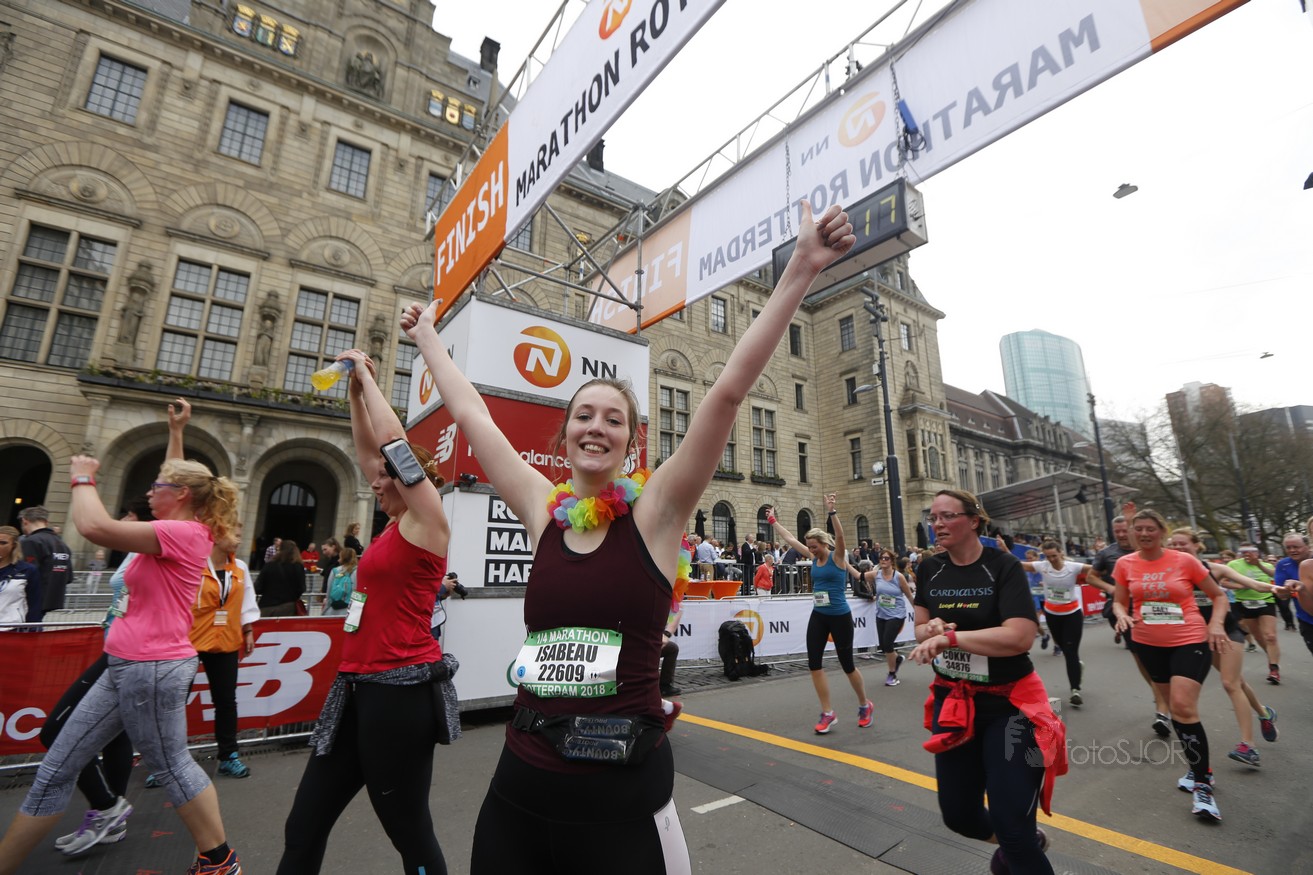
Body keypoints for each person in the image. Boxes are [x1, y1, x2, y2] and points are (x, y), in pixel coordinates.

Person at [404, 199, 854, 875]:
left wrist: (802, 268)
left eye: (613, 419)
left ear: (631, 442)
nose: (595, 427)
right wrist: (427, 338)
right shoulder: (543, 510)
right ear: (564, 434)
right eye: (583, 415)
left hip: (619, 794)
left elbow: (726, 394)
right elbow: (471, 412)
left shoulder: (657, 515)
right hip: (520, 785)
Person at [0, 455, 244, 875]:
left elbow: (93, 527)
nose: (149, 492)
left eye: (157, 486)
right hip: (127, 663)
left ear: (181, 494)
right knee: (57, 769)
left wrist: (82, 476)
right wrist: (176, 431)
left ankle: (219, 861)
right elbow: (175, 471)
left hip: (152, 667)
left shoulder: (182, 532)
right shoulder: (173, 529)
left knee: (172, 766)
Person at [276, 348, 451, 875]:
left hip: (400, 692)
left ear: (409, 479)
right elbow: (372, 451)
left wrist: (369, 379)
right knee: (302, 827)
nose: (373, 483)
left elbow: (392, 445)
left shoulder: (427, 522)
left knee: (409, 832)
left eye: (384, 478)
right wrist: (355, 392)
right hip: (355, 688)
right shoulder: (393, 527)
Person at [908, 490, 1063, 874]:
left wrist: (951, 638)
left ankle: (1019, 845)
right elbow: (920, 628)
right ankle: (1021, 844)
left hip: (1011, 707)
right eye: (934, 517)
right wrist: (932, 629)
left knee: (1013, 829)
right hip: (954, 702)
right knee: (959, 816)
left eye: (947, 516)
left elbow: (1020, 637)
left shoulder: (1003, 566)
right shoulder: (929, 569)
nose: (938, 524)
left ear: (974, 520)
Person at [1112, 508, 1230, 823]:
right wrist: (1121, 614)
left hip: (1189, 639)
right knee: (1176, 711)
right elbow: (1119, 600)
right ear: (1132, 532)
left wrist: (1216, 624)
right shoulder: (1125, 564)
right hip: (1148, 643)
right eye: (1139, 529)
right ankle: (1199, 767)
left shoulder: (1184, 560)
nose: (1144, 534)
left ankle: (1202, 785)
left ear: (1162, 532)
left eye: (1150, 528)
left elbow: (1218, 596)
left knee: (1182, 706)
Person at [1167, 528, 1280, 773]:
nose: (1177, 548)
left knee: (1230, 683)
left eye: (1182, 543)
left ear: (1197, 545)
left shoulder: (1214, 569)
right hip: (1198, 635)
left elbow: (1251, 583)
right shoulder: (1169, 572)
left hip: (1226, 630)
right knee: (1238, 681)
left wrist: (1275, 588)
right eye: (1173, 544)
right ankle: (1264, 713)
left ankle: (1248, 747)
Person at [768, 495, 874, 734]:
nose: (811, 550)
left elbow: (841, 537)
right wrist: (773, 521)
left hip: (840, 616)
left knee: (847, 665)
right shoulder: (813, 557)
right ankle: (828, 712)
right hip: (819, 615)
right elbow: (790, 539)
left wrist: (832, 512)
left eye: (814, 546)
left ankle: (864, 704)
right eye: (810, 547)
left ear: (824, 544)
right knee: (814, 664)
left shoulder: (838, 558)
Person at [1087, 514, 1171, 736]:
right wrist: (1112, 589)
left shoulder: (1151, 548)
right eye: (1117, 532)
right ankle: (1162, 705)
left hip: (1157, 609)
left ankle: (1166, 698)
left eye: (1125, 530)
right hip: (1126, 612)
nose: (1122, 535)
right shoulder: (1107, 553)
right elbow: (1091, 577)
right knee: (1142, 658)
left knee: (1164, 657)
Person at [1019, 542, 1091, 707]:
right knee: (1063, 648)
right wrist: (1005, 550)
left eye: (1054, 556)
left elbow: (1095, 569)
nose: (1051, 559)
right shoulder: (1042, 566)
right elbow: (1020, 565)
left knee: (1071, 651)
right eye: (1048, 556)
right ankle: (1077, 666)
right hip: (1052, 614)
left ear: (1060, 553)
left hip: (1072, 614)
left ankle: (1075, 690)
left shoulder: (1073, 567)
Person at [852, 549, 914, 686]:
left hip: (897, 614)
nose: (883, 560)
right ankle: (897, 659)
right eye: (881, 558)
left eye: (886, 558)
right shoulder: (876, 574)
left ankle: (892, 674)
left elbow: (909, 596)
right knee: (883, 646)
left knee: (887, 643)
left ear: (892, 561)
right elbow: (857, 575)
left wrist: (919, 613)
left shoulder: (898, 577)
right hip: (881, 614)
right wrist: (843, 562)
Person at [1228, 544, 1284, 684]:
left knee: (1270, 636)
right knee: (1258, 637)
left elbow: (1275, 576)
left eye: (1252, 551)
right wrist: (1241, 586)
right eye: (1244, 551)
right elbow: (1223, 582)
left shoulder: (1266, 565)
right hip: (1245, 603)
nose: (1248, 554)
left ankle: (1274, 668)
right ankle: (1271, 656)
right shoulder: (1233, 565)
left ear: (1257, 553)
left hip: (1266, 601)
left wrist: (1258, 564)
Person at [18, 505, 72, 620]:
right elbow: (69, 577)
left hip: (29, 599)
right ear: (46, 522)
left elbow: (26, 573)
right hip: (51, 598)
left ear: (25, 521)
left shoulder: (31, 541)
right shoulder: (62, 544)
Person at [1277, 529, 1313, 658]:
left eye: (1296, 547)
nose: (1292, 550)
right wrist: (1284, 592)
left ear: (1307, 545)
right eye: (1288, 548)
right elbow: (1282, 594)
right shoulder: (1283, 564)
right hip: (1307, 619)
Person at [256, 540, 306, 616]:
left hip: (266, 605)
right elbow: (301, 588)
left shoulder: (269, 565)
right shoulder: (298, 566)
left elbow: (258, 587)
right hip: (288, 607)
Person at [0, 527, 36, 629]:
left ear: (14, 545)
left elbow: (34, 603)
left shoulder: (27, 570)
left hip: (11, 629)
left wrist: (33, 631)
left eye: (3, 543)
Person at [323, 547, 359, 617]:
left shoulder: (335, 571)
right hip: (349, 610)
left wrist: (325, 609)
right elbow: (356, 590)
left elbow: (329, 590)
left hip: (333, 608)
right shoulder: (357, 571)